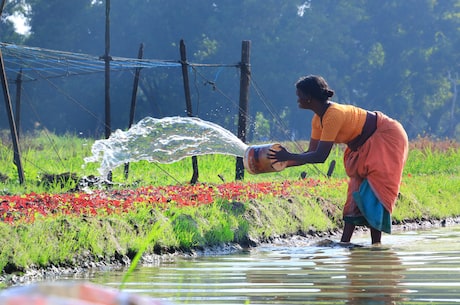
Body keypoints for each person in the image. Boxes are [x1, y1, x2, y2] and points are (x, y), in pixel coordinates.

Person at [268, 75, 409, 244]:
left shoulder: (333, 115)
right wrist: (282, 162)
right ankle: (344, 244)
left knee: (374, 191)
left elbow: (320, 156)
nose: (297, 99)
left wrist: (288, 156)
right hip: (361, 146)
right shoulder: (317, 119)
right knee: (355, 193)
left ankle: (376, 246)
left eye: (299, 95)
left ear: (309, 98)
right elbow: (310, 152)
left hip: (384, 137)